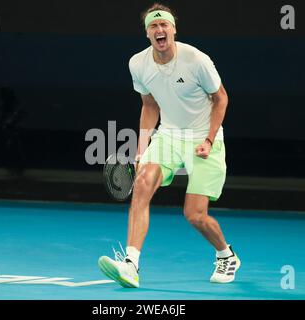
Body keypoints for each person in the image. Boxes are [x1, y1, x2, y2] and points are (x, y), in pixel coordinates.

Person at [98, 3, 240, 288]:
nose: (159, 30)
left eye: (164, 25)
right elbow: (149, 105)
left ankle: (226, 255)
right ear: (147, 33)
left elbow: (221, 98)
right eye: (154, 26)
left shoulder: (197, 60)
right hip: (169, 136)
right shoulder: (138, 64)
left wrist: (210, 139)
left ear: (173, 29)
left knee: (194, 215)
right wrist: (141, 148)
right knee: (142, 183)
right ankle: (131, 265)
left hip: (204, 136)